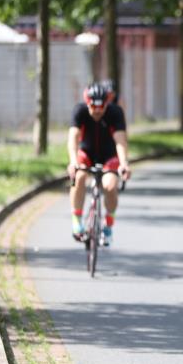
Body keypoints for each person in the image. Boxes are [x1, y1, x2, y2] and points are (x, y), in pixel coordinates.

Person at [67, 83, 131, 246]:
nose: (97, 111)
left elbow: (120, 141)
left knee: (110, 186)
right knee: (79, 176)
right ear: (87, 102)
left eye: (101, 107)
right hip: (86, 153)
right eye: (93, 107)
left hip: (109, 155)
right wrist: (73, 162)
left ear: (107, 103)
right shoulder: (80, 111)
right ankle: (77, 220)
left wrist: (124, 164)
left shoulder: (115, 113)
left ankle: (108, 226)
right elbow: (73, 137)